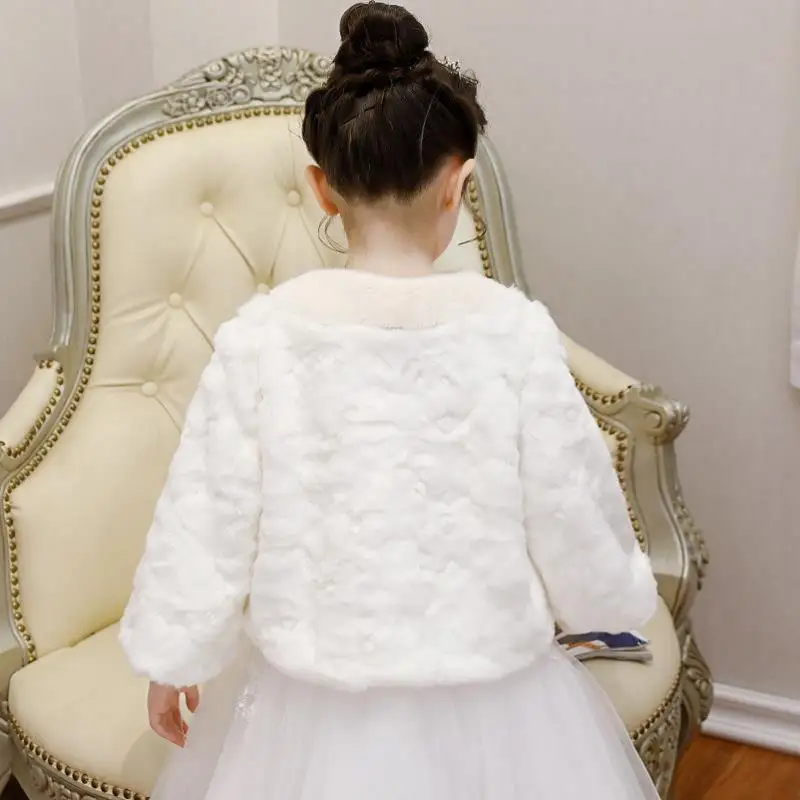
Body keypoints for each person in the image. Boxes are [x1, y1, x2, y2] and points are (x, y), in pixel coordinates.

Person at [120, 3, 661, 798]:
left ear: (320, 188)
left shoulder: (263, 336)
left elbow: (208, 513)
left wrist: (174, 657)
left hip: (312, 703)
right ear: (460, 185)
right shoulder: (511, 331)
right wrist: (609, 599)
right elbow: (570, 504)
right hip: (493, 694)